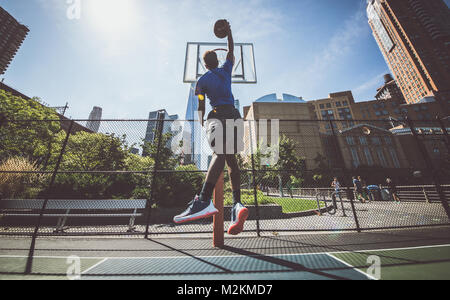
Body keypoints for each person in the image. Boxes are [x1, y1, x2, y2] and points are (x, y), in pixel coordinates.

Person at [174, 20, 249, 235]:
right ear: (218, 60)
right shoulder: (226, 69)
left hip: (216, 115)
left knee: (220, 153)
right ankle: (237, 204)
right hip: (234, 116)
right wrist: (230, 33)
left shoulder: (202, 81)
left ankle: (204, 199)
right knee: (231, 159)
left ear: (205, 65)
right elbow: (232, 50)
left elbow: (200, 103)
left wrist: (201, 120)